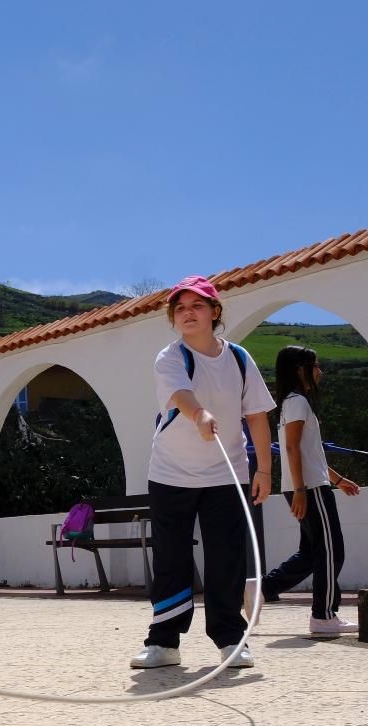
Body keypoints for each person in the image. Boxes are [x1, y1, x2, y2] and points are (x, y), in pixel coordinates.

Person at [131, 275, 274, 670]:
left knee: (226, 557)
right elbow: (181, 394)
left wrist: (264, 468)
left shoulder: (241, 359)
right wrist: (199, 414)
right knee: (171, 557)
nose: (188, 313)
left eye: (197, 306)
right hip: (170, 473)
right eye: (180, 308)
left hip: (226, 475)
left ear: (215, 312)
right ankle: (164, 642)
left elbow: (257, 416)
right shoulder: (171, 357)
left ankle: (231, 639)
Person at [258, 346, 361, 637]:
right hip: (310, 489)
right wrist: (301, 489)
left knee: (310, 554)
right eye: (316, 366)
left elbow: (308, 453)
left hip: (309, 485)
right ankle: (324, 616)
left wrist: (338, 480)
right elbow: (291, 448)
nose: (320, 371)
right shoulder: (298, 403)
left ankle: (262, 589)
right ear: (301, 370)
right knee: (332, 550)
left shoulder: (292, 403)